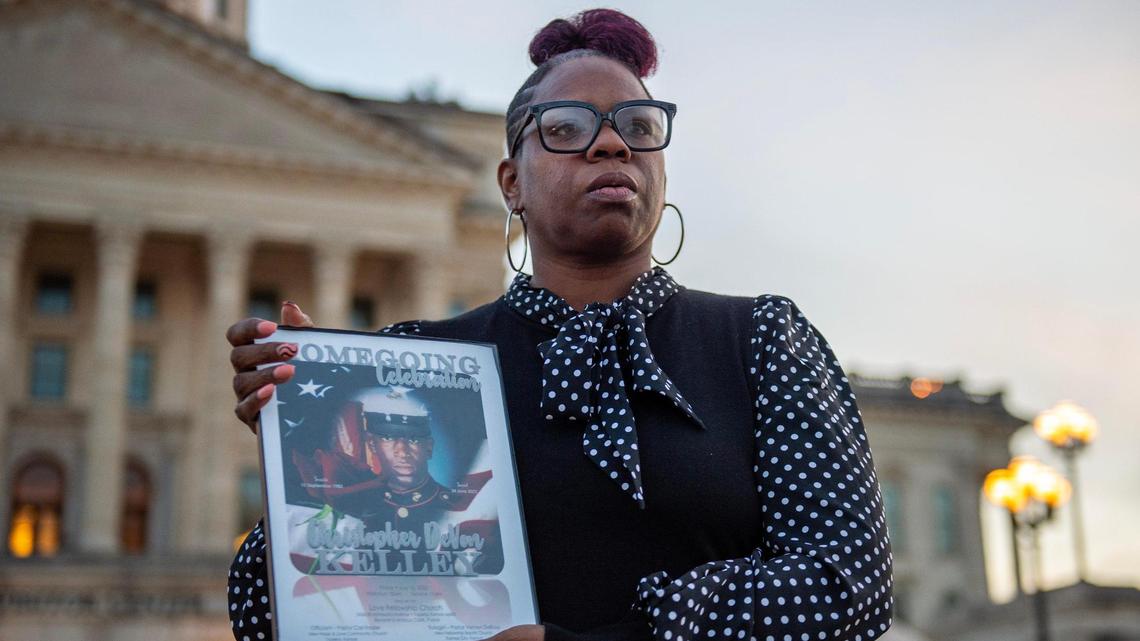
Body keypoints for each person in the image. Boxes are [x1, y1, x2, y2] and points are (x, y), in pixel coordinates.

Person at [226, 8, 893, 641]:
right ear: (511, 182)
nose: (611, 143)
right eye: (567, 129)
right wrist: (305, 451)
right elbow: (265, 613)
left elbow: (849, 586)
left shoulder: (757, 342)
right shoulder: (420, 366)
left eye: (638, 124)